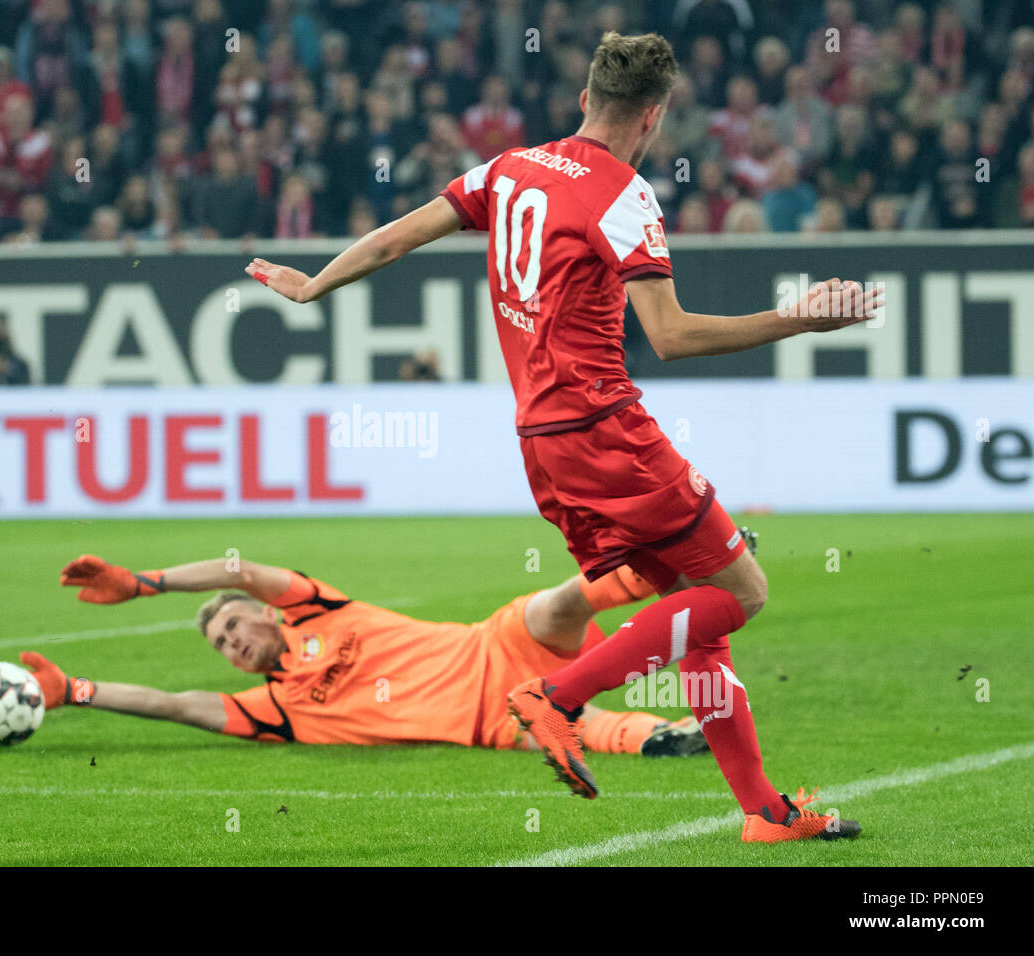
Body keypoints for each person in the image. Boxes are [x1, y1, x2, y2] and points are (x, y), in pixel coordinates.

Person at [242, 32, 879, 843]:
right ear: (653, 117)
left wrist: (317, 283)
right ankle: (555, 695)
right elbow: (673, 336)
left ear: (586, 100)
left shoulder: (507, 169)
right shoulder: (624, 197)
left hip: (541, 441)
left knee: (698, 615)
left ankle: (762, 813)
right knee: (743, 593)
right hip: (606, 429)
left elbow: (399, 235)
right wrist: (802, 316)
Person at [24, 552, 708, 758]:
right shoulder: (276, 710)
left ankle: (683, 566)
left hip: (492, 644)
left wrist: (148, 585)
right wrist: (76, 690)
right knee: (576, 730)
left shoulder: (318, 609)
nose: (231, 641)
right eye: (222, 645)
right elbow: (171, 704)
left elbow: (239, 569)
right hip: (489, 717)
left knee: (555, 605)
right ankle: (673, 738)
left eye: (233, 626)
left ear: (265, 613)